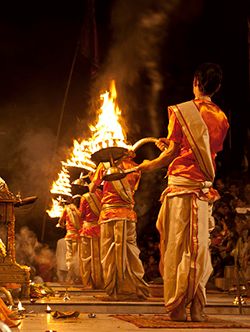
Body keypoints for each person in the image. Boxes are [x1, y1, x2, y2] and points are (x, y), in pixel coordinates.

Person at [137, 63, 229, 321]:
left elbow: (174, 154)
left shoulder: (182, 111)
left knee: (177, 245)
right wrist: (170, 144)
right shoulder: (222, 117)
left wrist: (148, 165)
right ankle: (198, 307)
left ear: (196, 81)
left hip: (181, 187)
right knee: (199, 247)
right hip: (202, 189)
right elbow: (203, 151)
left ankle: (177, 307)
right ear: (217, 87)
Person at [89, 150, 149, 300]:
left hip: (109, 215)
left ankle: (115, 290)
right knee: (131, 252)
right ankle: (136, 289)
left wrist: (95, 180)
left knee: (109, 253)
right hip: (128, 215)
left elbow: (92, 189)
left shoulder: (105, 165)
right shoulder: (136, 167)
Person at [79, 176, 103, 289]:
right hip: (101, 230)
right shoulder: (102, 194)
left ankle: (88, 283)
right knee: (100, 256)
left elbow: (81, 215)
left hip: (88, 230)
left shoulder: (85, 197)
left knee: (87, 257)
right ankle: (101, 282)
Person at [58, 195, 82, 284]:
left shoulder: (67, 209)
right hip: (78, 236)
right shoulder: (80, 211)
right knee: (77, 258)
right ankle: (76, 278)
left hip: (69, 235)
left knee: (70, 257)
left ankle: (71, 278)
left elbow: (60, 221)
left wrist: (63, 225)